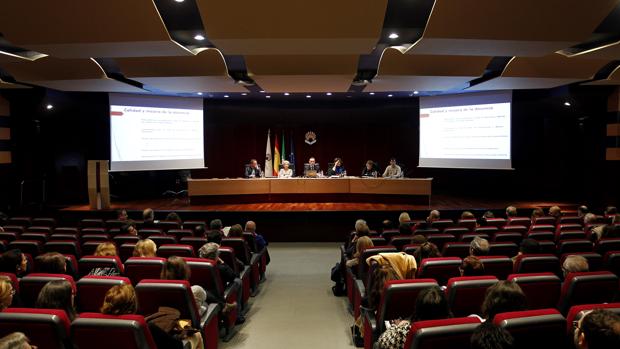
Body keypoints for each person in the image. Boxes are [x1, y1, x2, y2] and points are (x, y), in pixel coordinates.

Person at [377, 286, 451, 349]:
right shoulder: (454, 330)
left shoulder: (406, 331)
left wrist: (397, 326)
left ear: (418, 309)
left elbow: (382, 342)